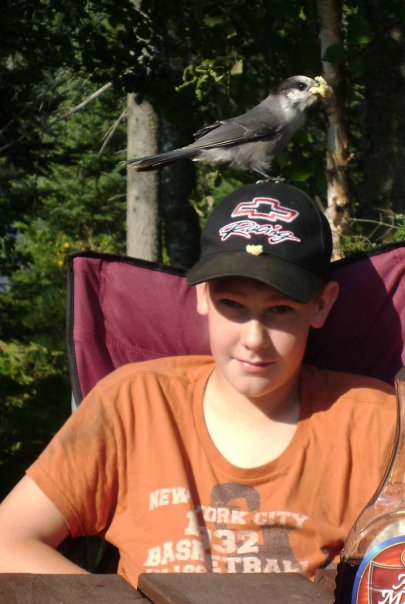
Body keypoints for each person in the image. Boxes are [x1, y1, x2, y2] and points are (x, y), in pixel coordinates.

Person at [0, 182, 396, 587]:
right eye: (232, 305)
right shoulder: (133, 403)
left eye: (280, 309)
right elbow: (8, 540)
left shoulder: (376, 423)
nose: (254, 339)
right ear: (202, 295)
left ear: (321, 305)